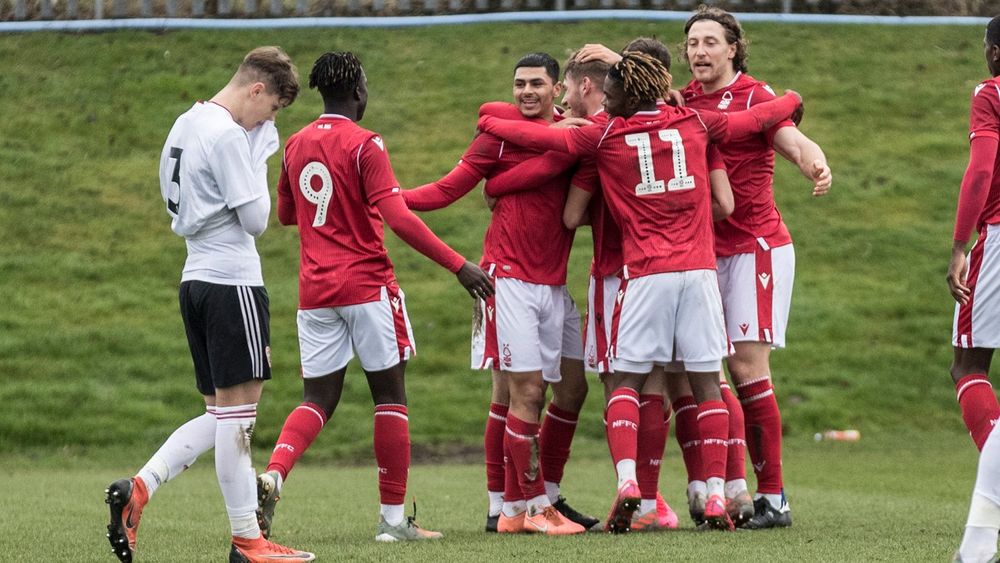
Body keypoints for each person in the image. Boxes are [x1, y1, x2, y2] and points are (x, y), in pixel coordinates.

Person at [477, 51, 802, 532]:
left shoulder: (605, 135)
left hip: (634, 272)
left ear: (608, 91)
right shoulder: (695, 123)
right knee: (704, 380)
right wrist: (792, 97)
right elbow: (728, 189)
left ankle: (631, 490)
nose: (590, 100)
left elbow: (567, 210)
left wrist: (499, 168)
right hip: (698, 271)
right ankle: (719, 492)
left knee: (623, 381)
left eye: (607, 91)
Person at [253, 51, 493, 543]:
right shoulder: (367, 144)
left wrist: (332, 214)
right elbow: (399, 217)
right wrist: (458, 265)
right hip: (366, 286)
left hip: (315, 292)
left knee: (317, 398)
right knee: (390, 396)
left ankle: (274, 474)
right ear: (359, 91)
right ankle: (391, 523)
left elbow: (285, 215)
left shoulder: (296, 143)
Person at [104, 47, 316, 563]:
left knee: (221, 413)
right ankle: (248, 541)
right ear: (257, 90)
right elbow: (257, 221)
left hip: (194, 279)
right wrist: (261, 151)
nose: (269, 121)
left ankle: (141, 487)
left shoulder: (187, 121)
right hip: (232, 282)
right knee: (240, 417)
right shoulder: (226, 134)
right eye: (272, 111)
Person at [402, 52, 589, 535]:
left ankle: (530, 500)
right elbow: (446, 190)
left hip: (553, 283)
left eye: (536, 84)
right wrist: (388, 198)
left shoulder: (574, 133)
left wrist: (505, 184)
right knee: (516, 393)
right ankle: (511, 505)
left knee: (571, 388)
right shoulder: (496, 137)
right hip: (506, 281)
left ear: (556, 90)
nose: (527, 92)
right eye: (519, 84)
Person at [678, 5, 832, 529]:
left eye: (710, 42)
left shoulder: (757, 96)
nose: (699, 51)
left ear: (733, 48)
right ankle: (728, 494)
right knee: (708, 372)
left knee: (747, 370)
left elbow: (790, 138)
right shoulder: (684, 100)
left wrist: (815, 160)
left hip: (756, 247)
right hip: (702, 253)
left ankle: (773, 499)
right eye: (693, 43)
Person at [952, 16, 1000, 563]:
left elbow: (982, 169)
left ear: (994, 52)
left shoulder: (991, 92)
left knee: (968, 365)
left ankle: (981, 537)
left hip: (998, 239)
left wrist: (960, 244)